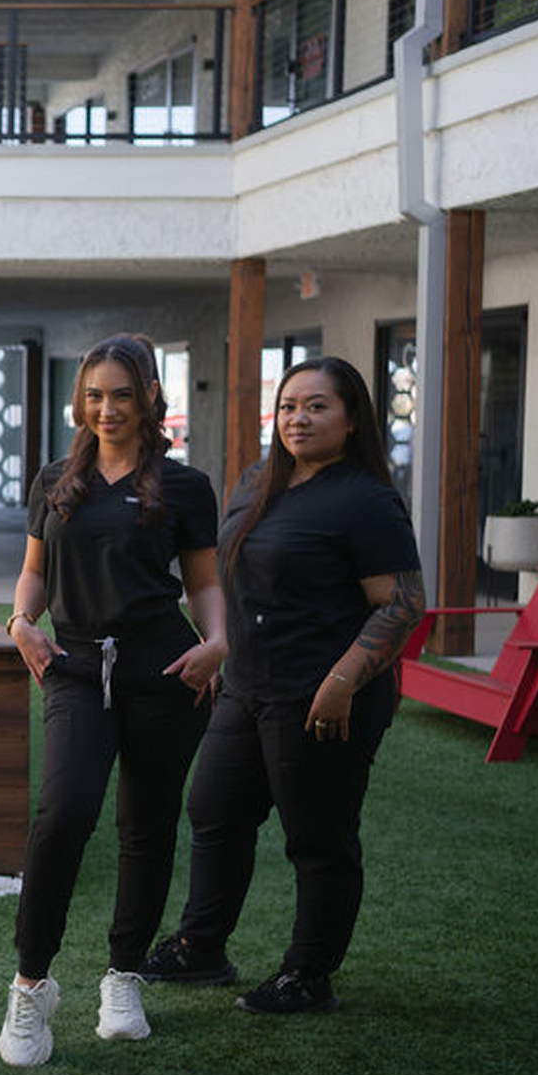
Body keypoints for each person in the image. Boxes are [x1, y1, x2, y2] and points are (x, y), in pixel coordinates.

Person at [141, 357, 423, 1014]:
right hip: (247, 684)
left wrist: (344, 679)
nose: (299, 417)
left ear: (351, 420)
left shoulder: (366, 498)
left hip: (323, 692)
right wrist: (219, 650)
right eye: (290, 405)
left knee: (317, 834)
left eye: (318, 406)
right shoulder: (257, 482)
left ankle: (308, 974)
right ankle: (201, 947)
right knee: (215, 810)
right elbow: (241, 586)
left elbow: (403, 603)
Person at [0, 335, 225, 1067]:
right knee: (63, 816)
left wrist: (218, 644)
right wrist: (20, 622)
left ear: (150, 397)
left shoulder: (185, 486)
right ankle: (31, 984)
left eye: (122, 394)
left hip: (166, 670)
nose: (107, 408)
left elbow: (205, 583)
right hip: (75, 665)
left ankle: (123, 976)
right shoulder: (56, 480)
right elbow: (35, 573)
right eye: (95, 394)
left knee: (147, 828)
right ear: (80, 400)